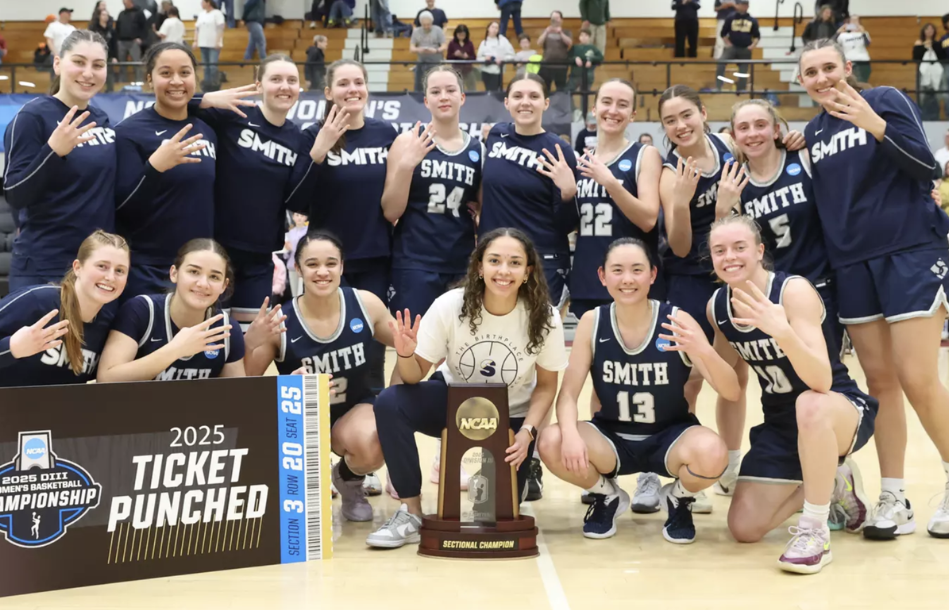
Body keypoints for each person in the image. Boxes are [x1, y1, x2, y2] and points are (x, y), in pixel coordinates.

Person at [799, 39, 949, 540]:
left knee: (917, 378)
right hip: (852, 267)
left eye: (828, 68)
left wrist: (875, 126)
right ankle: (895, 495)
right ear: (802, 82)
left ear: (847, 67)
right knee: (881, 387)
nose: (821, 78)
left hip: (908, 254)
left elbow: (928, 168)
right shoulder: (813, 133)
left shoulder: (884, 99)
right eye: (810, 73)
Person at [366, 228, 568, 548]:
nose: (504, 271)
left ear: (528, 271)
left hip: (509, 419)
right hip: (453, 402)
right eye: (495, 261)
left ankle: (520, 473)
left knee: (493, 514)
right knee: (391, 401)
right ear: (479, 267)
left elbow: (546, 386)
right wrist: (405, 353)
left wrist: (528, 432)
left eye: (515, 262)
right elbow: (413, 375)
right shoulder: (450, 305)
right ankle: (411, 511)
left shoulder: (545, 317)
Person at [658, 84, 805, 501]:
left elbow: (765, 147)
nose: (680, 125)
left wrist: (792, 136)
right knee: (687, 378)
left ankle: (733, 459)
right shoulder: (672, 173)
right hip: (689, 276)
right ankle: (684, 466)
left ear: (703, 113)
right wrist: (684, 204)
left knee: (736, 373)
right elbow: (682, 246)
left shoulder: (729, 146)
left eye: (686, 114)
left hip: (736, 274)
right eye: (670, 120)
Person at [707, 214, 877, 574]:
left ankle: (814, 531)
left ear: (759, 250)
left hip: (836, 409)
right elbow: (730, 388)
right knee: (744, 528)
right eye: (719, 250)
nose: (730, 257)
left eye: (739, 247)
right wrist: (699, 350)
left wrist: (781, 331)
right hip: (782, 426)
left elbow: (821, 380)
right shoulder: (718, 307)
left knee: (809, 402)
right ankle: (831, 481)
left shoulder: (793, 291)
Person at [541, 238, 734, 541]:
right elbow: (567, 395)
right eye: (617, 270)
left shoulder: (676, 320)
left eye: (637, 270)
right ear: (602, 276)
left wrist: (705, 351)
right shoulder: (592, 322)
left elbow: (731, 391)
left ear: (652, 275)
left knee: (713, 453)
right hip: (612, 438)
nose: (627, 279)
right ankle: (607, 496)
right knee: (552, 440)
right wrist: (569, 435)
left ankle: (679, 498)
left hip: (670, 438)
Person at [715, 99, 845, 502]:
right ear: (734, 137)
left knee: (823, 382)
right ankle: (788, 464)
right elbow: (727, 241)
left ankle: (835, 465)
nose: (752, 133)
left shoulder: (802, 158)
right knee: (775, 379)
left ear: (776, 129)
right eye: (743, 128)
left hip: (818, 287)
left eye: (760, 125)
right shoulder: (736, 183)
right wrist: (722, 204)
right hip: (770, 295)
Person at [243, 231, 397, 521]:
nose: (322, 272)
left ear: (342, 267)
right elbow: (246, 384)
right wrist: (256, 350)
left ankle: (347, 481)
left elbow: (410, 347)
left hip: (352, 412)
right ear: (298, 269)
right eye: (312, 264)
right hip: (299, 422)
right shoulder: (280, 321)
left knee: (376, 442)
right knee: (299, 519)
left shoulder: (366, 304)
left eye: (331, 263)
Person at [288, 59, 398, 393]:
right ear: (328, 92)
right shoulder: (311, 134)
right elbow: (295, 200)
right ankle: (319, 408)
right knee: (323, 337)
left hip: (375, 254)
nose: (352, 90)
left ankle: (370, 409)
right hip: (325, 261)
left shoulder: (384, 133)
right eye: (343, 84)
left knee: (371, 344)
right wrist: (318, 151)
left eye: (358, 82)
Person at [191, 55, 306, 324]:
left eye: (292, 80)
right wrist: (207, 99)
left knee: (248, 342)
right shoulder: (235, 115)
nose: (284, 86)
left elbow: (296, 197)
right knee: (210, 338)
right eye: (275, 79)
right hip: (216, 252)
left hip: (259, 259)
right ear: (259, 85)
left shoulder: (297, 138)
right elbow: (173, 101)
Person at [3, 31, 117, 291]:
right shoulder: (32, 117)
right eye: (79, 62)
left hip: (95, 266)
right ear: (57, 63)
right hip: (45, 266)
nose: (88, 73)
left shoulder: (103, 120)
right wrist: (53, 151)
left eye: (98, 65)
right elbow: (14, 194)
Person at [114, 42, 217, 297]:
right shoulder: (128, 133)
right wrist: (154, 167)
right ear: (149, 80)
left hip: (198, 268)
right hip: (148, 269)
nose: (176, 81)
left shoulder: (208, 131)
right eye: (166, 73)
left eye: (184, 72)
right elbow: (121, 209)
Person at [383, 66, 482, 320]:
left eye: (450, 90)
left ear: (462, 97)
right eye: (435, 91)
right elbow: (391, 210)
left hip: (461, 263)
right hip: (414, 263)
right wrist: (407, 165)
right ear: (426, 100)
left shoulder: (478, 150)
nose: (444, 97)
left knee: (458, 350)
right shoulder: (407, 142)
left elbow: (482, 210)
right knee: (412, 348)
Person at [481, 73, 579, 311]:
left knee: (537, 340)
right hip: (496, 257)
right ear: (507, 103)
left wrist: (568, 193)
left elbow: (567, 224)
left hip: (541, 259)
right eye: (518, 96)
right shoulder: (496, 135)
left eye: (534, 96)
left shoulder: (559, 149)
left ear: (546, 103)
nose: (525, 102)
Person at [98, 238, 246, 382]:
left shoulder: (227, 330)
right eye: (194, 272)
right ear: (174, 273)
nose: (203, 283)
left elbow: (237, 399)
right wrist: (176, 350)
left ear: (223, 286)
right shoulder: (141, 310)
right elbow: (106, 379)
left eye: (214, 277)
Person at [0, 231, 129, 387]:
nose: (110, 277)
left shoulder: (108, 326)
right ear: (77, 267)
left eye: (120, 271)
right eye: (102, 266)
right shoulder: (37, 300)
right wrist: (11, 348)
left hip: (52, 410)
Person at [716, 0, 759, 92]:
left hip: (745, 48)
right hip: (732, 47)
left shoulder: (752, 20)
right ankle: (718, 87)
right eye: (741, 4)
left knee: (743, 70)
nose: (743, 6)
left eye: (745, 5)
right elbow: (723, 33)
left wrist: (752, 46)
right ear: (737, 5)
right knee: (721, 62)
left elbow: (757, 36)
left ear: (747, 6)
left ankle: (741, 89)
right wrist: (728, 43)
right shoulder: (730, 18)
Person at [914, 24, 945, 121]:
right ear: (924, 31)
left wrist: (934, 45)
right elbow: (915, 57)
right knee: (921, 97)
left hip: (936, 74)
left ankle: (936, 117)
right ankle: (920, 118)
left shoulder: (937, 44)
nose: (929, 31)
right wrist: (924, 47)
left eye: (932, 29)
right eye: (927, 29)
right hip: (923, 73)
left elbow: (942, 56)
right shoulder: (919, 43)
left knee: (937, 96)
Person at [409, 11, 446, 93]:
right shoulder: (416, 31)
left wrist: (436, 50)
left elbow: (444, 46)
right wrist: (419, 49)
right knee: (419, 87)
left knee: (436, 86)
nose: (426, 27)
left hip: (436, 63)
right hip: (421, 63)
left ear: (432, 22)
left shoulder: (438, 30)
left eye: (428, 24)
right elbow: (411, 48)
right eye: (424, 25)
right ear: (420, 23)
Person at [194, 0, 226, 91]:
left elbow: (221, 28)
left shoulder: (217, 13)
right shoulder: (201, 14)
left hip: (213, 45)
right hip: (203, 43)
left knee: (212, 66)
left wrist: (218, 41)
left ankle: (214, 85)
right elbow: (197, 28)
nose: (201, 4)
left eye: (203, 2)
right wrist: (195, 41)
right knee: (205, 66)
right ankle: (207, 86)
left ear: (208, 3)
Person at [538, 11, 572, 92]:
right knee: (545, 88)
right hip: (546, 64)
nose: (555, 20)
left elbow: (569, 43)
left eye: (557, 18)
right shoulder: (546, 31)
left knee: (560, 89)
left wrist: (560, 33)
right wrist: (546, 32)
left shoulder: (566, 32)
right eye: (553, 18)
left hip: (561, 65)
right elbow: (539, 43)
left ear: (561, 20)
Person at [475, 21, 515, 92]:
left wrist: (502, 59)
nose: (494, 29)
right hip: (485, 71)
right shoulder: (483, 42)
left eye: (496, 28)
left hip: (498, 71)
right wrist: (485, 58)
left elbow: (511, 55)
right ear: (488, 28)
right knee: (489, 91)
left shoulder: (503, 41)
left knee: (496, 92)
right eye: (492, 27)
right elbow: (478, 58)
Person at [116, 0, 149, 83]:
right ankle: (122, 82)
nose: (123, 2)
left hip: (134, 42)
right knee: (122, 64)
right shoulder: (121, 14)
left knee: (137, 63)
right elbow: (117, 28)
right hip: (122, 42)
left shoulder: (139, 13)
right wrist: (118, 40)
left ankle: (139, 82)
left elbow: (145, 27)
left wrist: (141, 38)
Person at [89, 9, 119, 92]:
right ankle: (95, 91)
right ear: (99, 16)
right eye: (103, 15)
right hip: (96, 55)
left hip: (108, 56)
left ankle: (110, 91)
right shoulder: (94, 29)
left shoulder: (111, 30)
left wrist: (115, 56)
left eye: (107, 15)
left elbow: (114, 44)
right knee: (95, 73)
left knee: (109, 74)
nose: (105, 17)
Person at [835, 15, 871, 84]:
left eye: (856, 21)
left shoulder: (864, 33)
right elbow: (833, 43)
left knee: (862, 82)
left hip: (863, 61)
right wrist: (838, 32)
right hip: (849, 61)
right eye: (852, 21)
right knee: (850, 82)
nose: (854, 23)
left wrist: (863, 32)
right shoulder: (843, 35)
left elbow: (868, 44)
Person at [567, 29, 603, 94]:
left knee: (585, 95)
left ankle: (582, 105)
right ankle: (572, 105)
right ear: (579, 37)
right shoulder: (575, 47)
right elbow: (567, 57)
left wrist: (591, 59)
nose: (583, 37)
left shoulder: (593, 48)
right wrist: (575, 58)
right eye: (581, 35)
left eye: (586, 35)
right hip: (575, 75)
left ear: (589, 37)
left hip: (588, 76)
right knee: (568, 92)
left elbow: (600, 57)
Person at [285, 212, 308, 297]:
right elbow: (286, 254)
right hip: (292, 265)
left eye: (302, 215)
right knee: (294, 293)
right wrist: (287, 249)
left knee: (304, 291)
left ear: (306, 217)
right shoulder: (290, 232)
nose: (299, 218)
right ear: (293, 217)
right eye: (297, 215)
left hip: (304, 265)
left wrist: (293, 249)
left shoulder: (308, 231)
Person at [447, 25, 477, 92]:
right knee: (458, 89)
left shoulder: (469, 43)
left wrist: (468, 57)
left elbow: (474, 57)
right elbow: (448, 57)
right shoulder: (452, 43)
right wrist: (454, 55)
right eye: (459, 34)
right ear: (456, 34)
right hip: (456, 70)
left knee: (472, 88)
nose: (461, 36)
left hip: (468, 70)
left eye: (463, 35)